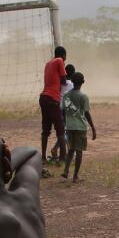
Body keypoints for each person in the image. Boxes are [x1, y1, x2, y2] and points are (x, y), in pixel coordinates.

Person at [39, 46, 69, 176]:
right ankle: (63, 158)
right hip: (53, 98)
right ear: (63, 55)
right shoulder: (59, 61)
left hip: (43, 97)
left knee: (46, 129)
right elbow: (63, 81)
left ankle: (43, 157)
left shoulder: (48, 63)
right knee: (60, 129)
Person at [61, 71, 96, 183]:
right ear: (83, 82)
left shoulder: (66, 95)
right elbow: (86, 113)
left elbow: (63, 111)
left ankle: (66, 170)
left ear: (71, 81)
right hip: (80, 127)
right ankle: (75, 176)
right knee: (79, 151)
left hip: (69, 126)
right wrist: (93, 128)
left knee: (71, 149)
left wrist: (65, 123)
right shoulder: (83, 97)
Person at [48, 64, 76, 165]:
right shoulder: (72, 85)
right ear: (73, 75)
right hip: (66, 110)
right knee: (67, 132)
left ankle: (56, 149)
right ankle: (64, 152)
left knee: (62, 132)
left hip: (57, 108)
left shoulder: (59, 83)